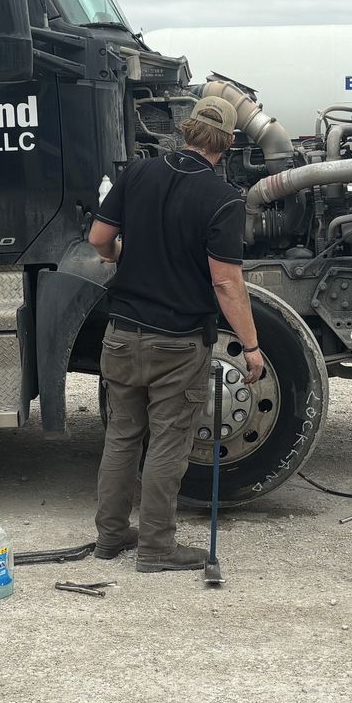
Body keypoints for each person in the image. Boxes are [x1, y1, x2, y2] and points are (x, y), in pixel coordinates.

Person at [87, 96, 266, 572]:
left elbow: (99, 241)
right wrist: (250, 346)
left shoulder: (137, 174)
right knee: (168, 442)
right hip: (178, 340)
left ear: (185, 131)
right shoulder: (223, 199)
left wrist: (125, 256)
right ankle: (156, 547)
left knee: (123, 437)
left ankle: (109, 537)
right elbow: (227, 282)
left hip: (122, 334)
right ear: (227, 144)